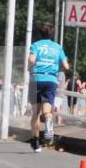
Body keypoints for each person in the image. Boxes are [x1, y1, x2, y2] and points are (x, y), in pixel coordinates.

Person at [28, 22, 70, 151]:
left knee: (35, 113)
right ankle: (49, 130)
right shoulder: (57, 47)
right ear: (51, 34)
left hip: (37, 78)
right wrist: (55, 66)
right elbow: (66, 66)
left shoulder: (35, 45)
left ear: (40, 34)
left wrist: (30, 67)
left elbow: (31, 60)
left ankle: (35, 142)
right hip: (51, 79)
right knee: (47, 111)